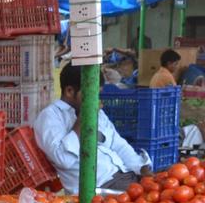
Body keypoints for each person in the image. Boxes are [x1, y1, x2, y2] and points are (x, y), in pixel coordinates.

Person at [34, 63, 150, 194]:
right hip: (102, 186)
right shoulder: (50, 117)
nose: (96, 100)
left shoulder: (97, 113)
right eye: (91, 95)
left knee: (169, 182)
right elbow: (63, 159)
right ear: (69, 91)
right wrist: (85, 115)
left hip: (125, 176)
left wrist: (140, 168)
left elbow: (118, 144)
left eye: (97, 95)